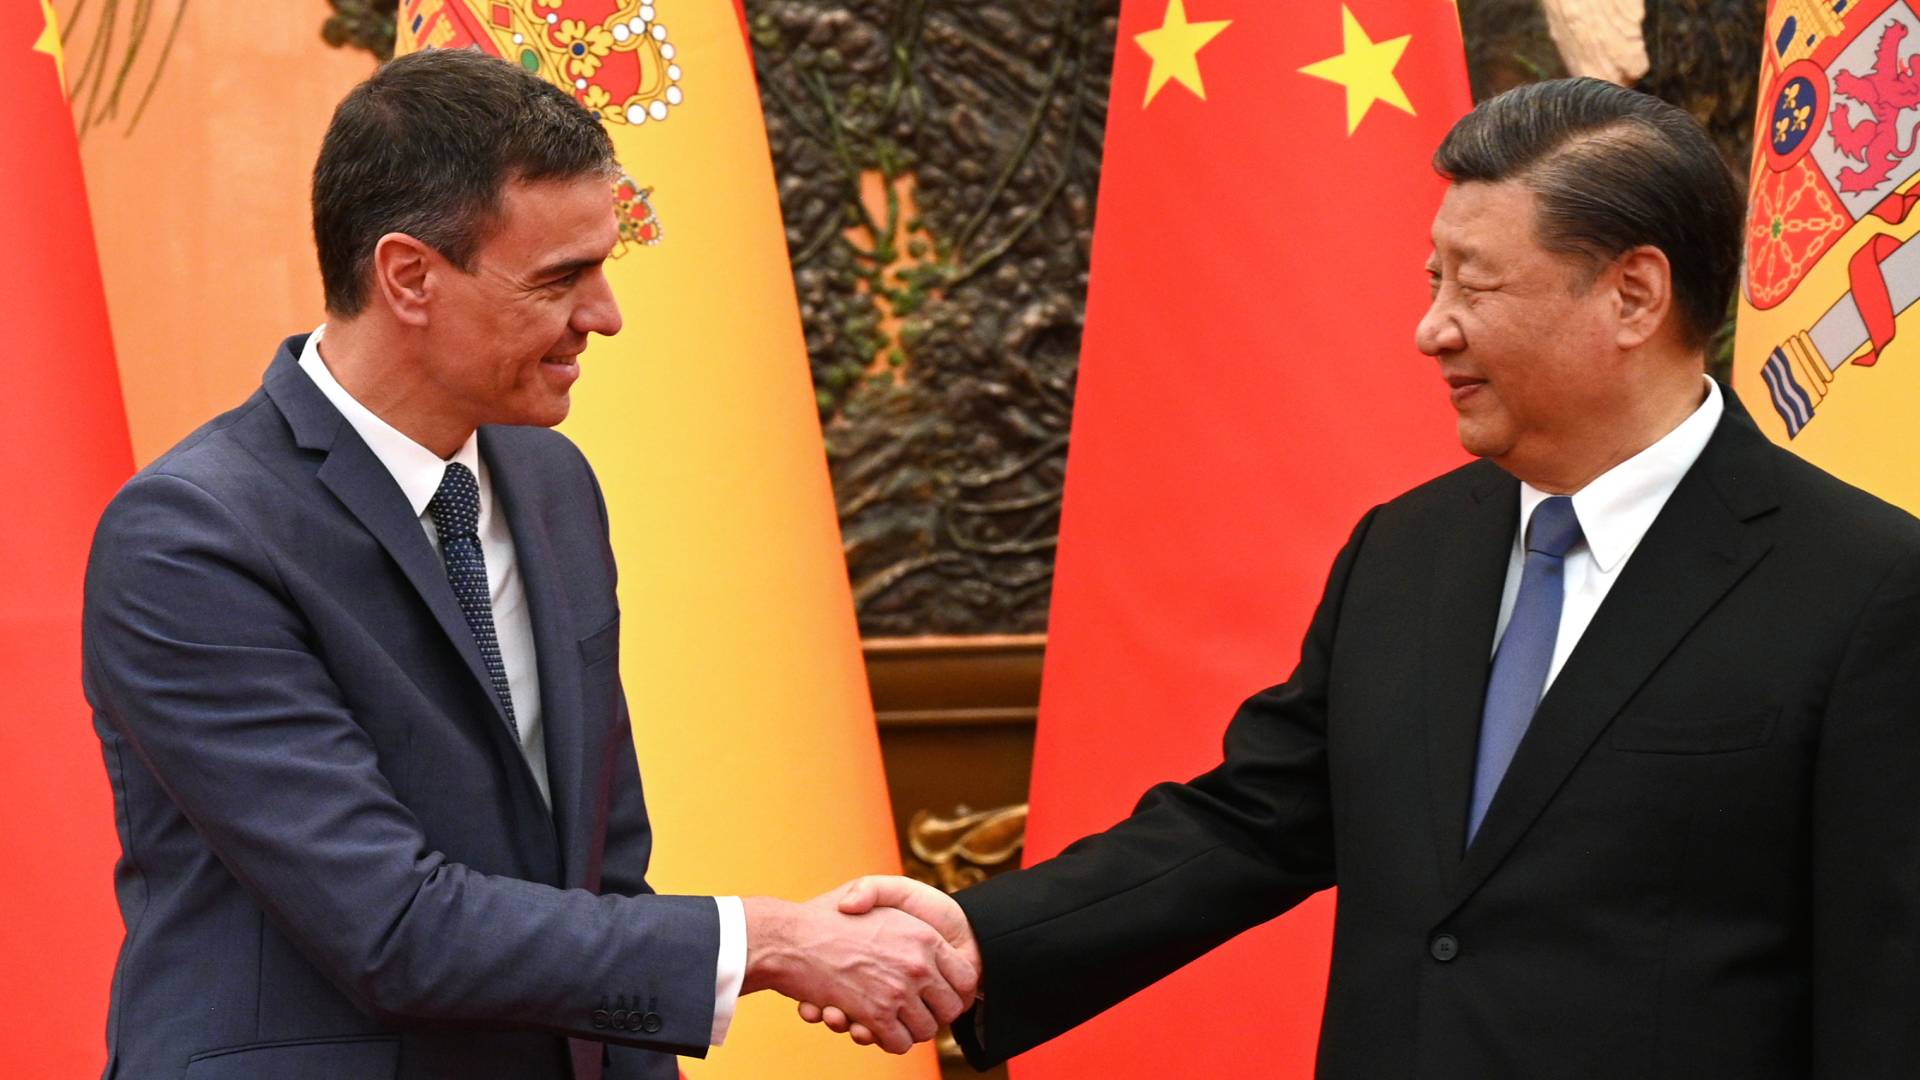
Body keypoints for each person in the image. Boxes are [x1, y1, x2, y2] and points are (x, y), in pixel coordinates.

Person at [804, 77, 1920, 1076]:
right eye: (1434, 278)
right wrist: (976, 939)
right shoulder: (1408, 549)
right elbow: (1254, 823)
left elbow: (1886, 988)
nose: (1431, 329)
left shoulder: (1863, 589)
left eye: (1475, 286)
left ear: (1633, 296)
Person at [81, 49, 972, 1080]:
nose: (604, 315)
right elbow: (391, 925)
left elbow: (601, 880)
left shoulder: (552, 485)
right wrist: (769, 941)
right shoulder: (191, 538)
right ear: (409, 276)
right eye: (559, 279)